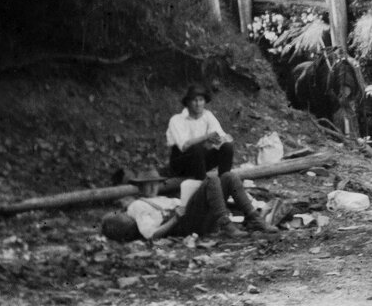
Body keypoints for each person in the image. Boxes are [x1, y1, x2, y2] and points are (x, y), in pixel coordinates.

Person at [101, 167, 277, 242]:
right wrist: (175, 219)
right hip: (183, 226)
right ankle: (226, 225)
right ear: (139, 187)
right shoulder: (138, 205)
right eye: (147, 184)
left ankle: (255, 219)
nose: (152, 187)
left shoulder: (163, 198)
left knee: (229, 177)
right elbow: (151, 235)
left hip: (196, 219)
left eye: (155, 182)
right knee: (211, 179)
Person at [167, 83, 234, 180]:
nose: (198, 104)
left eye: (201, 100)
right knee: (196, 148)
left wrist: (223, 140)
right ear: (188, 103)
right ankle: (204, 187)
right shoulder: (177, 120)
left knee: (227, 147)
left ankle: (225, 183)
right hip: (182, 165)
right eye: (195, 100)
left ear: (204, 102)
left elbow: (218, 135)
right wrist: (206, 137)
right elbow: (185, 145)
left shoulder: (208, 115)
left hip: (200, 162)